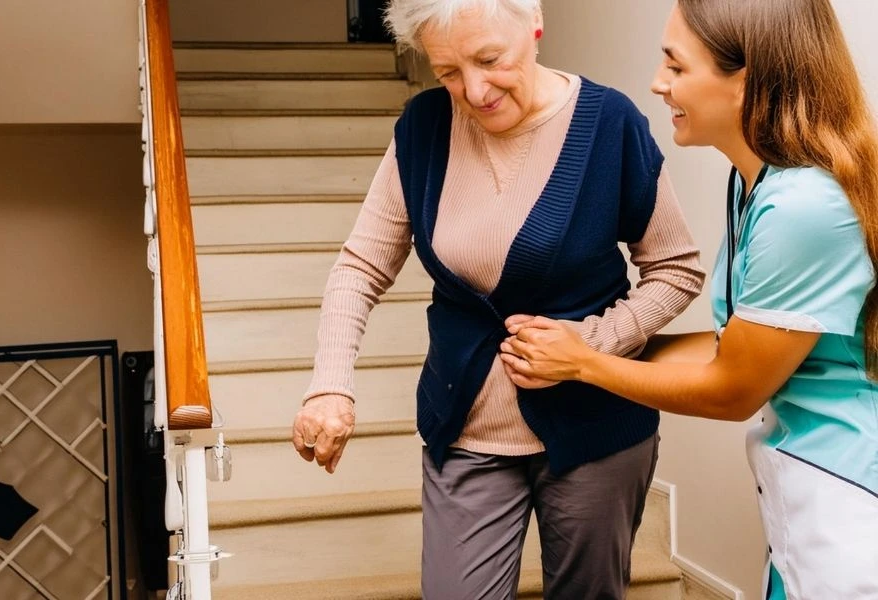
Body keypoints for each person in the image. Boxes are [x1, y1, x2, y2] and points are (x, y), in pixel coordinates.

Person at [290, 0, 706, 597]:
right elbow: (359, 267)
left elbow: (674, 269)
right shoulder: (424, 127)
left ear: (534, 25)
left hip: (596, 427)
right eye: (449, 73)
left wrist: (589, 342)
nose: (474, 91)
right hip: (464, 428)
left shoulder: (609, 122)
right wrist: (330, 383)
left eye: (490, 59)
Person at [499, 1, 878, 598]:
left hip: (850, 505)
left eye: (676, 67)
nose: (658, 84)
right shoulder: (754, 182)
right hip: (800, 494)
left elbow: (734, 388)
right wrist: (593, 342)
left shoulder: (804, 206)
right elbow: (737, 347)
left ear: (746, 79)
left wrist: (585, 364)